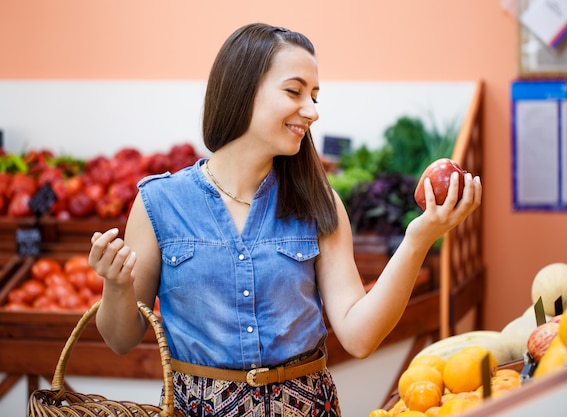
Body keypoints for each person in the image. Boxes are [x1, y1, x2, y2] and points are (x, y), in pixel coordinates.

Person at [88, 22, 482, 417]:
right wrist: (117, 286)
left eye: (313, 95)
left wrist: (418, 239)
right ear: (242, 90)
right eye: (294, 91)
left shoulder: (317, 201)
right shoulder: (160, 203)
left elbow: (359, 336)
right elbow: (121, 340)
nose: (312, 111)